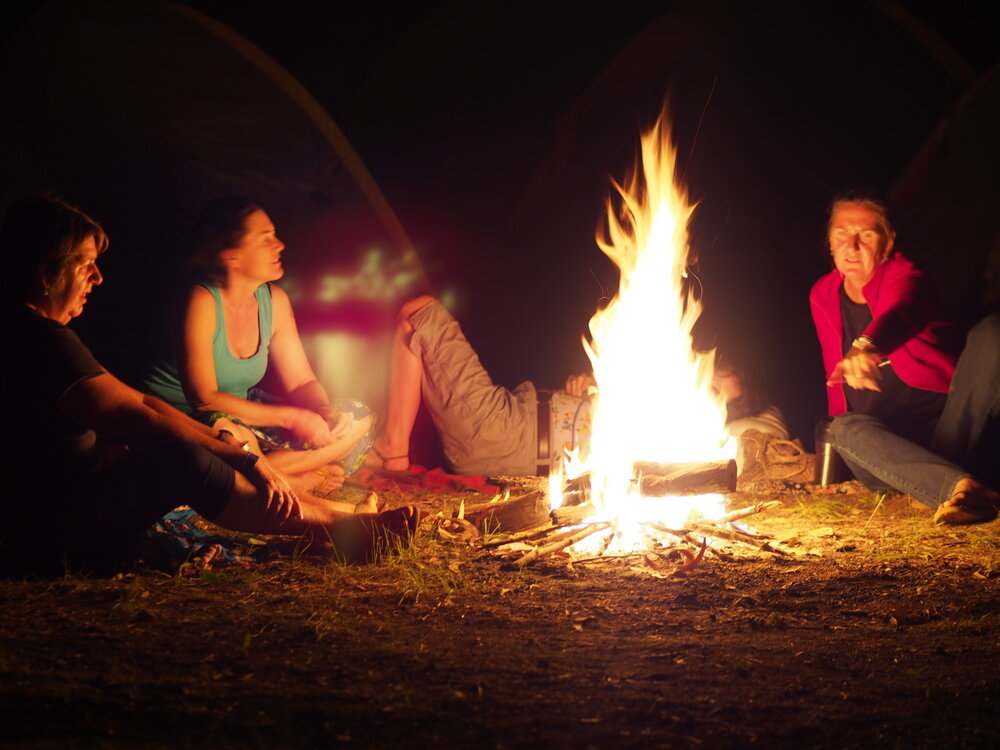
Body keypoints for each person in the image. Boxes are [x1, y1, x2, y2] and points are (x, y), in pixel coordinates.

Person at [0, 194, 418, 575]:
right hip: (45, 530)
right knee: (184, 455)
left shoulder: (36, 334)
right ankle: (341, 525)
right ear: (44, 272)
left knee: (205, 447)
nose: (97, 278)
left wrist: (256, 445)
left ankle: (337, 518)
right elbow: (147, 413)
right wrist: (244, 457)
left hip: (54, 509)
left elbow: (141, 403)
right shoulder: (41, 340)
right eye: (83, 264)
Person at [142, 196, 371, 492]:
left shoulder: (274, 301)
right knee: (224, 430)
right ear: (231, 254)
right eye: (265, 239)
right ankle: (293, 477)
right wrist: (293, 418)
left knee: (358, 417)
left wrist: (324, 411)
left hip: (245, 424)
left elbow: (301, 381)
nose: (280, 245)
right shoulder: (200, 300)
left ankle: (263, 475)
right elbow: (204, 399)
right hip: (185, 425)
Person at [809, 191, 999, 525]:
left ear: (888, 241)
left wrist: (867, 345)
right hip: (887, 456)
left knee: (992, 332)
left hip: (952, 432)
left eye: (865, 235)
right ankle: (959, 486)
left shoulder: (907, 277)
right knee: (843, 428)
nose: (851, 246)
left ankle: (957, 487)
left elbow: (904, 310)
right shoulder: (822, 293)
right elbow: (835, 387)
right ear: (829, 240)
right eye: (842, 234)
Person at [364, 296, 595, 477]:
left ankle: (392, 448)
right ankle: (392, 447)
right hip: (511, 434)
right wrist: (592, 384)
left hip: (503, 433)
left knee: (419, 313)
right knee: (419, 315)